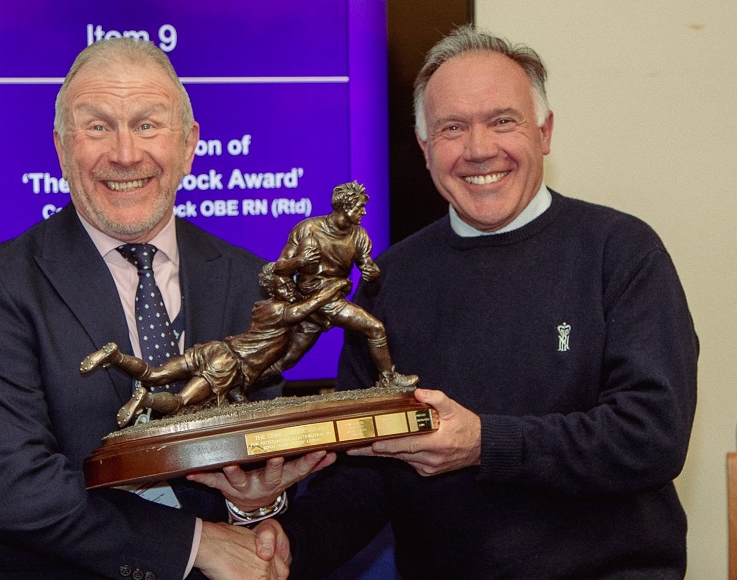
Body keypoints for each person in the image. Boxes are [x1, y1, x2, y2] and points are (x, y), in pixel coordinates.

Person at [255, 24, 699, 578]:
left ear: (545, 132)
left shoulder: (621, 252)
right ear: (424, 148)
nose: (479, 149)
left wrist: (486, 443)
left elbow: (651, 436)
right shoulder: (388, 280)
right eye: (452, 128)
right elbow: (365, 477)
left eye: (502, 121)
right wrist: (281, 544)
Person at [0, 37, 328, 580]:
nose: (125, 153)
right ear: (60, 147)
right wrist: (196, 544)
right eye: (97, 127)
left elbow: (250, 453)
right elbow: (12, 488)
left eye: (148, 125)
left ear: (189, 145)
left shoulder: (249, 279)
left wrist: (254, 505)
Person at [80, 264, 352, 424]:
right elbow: (310, 306)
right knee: (180, 403)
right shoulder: (281, 311)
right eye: (285, 285)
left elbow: (237, 394)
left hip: (217, 351)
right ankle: (146, 399)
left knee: (155, 373)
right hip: (228, 364)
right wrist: (336, 284)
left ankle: (115, 356)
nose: (290, 289)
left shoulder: (261, 307)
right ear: (275, 288)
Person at [270, 181, 416, 389]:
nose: (364, 213)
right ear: (346, 208)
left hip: (333, 297)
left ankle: (248, 382)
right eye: (360, 208)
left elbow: (368, 265)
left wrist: (371, 272)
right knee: (374, 329)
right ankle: (388, 379)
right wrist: (300, 261)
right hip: (314, 300)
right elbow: (280, 267)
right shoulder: (307, 229)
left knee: (288, 358)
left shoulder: (359, 235)